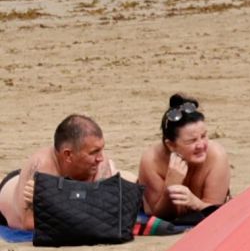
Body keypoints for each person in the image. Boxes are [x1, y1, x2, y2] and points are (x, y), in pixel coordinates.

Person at [0, 115, 119, 233]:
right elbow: (30, 224)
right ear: (68, 155)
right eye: (93, 152)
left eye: (101, 149)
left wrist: (56, 199)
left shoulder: (100, 164)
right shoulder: (42, 167)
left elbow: (107, 216)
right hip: (9, 193)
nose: (100, 158)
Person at [136, 95, 231, 225]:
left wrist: (196, 203)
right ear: (171, 145)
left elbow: (216, 212)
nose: (201, 145)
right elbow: (159, 216)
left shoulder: (216, 156)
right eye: (191, 141)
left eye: (203, 136)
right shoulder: (151, 160)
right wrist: (170, 187)